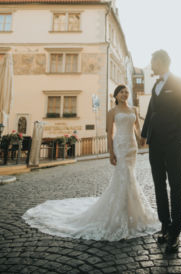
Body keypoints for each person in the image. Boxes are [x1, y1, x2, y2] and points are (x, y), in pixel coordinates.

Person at [22, 85, 160, 241]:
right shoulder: (112, 112)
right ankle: (121, 213)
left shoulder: (134, 110)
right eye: (121, 92)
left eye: (126, 92)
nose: (125, 94)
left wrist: (141, 138)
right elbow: (110, 133)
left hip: (131, 146)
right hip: (120, 145)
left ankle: (132, 211)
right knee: (124, 176)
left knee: (131, 176)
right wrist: (111, 152)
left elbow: (137, 127)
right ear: (116, 95)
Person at [140, 50, 181, 253]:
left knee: (175, 185)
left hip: (172, 141)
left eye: (153, 63)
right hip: (155, 143)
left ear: (161, 62)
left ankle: (175, 232)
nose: (151, 67)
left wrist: (180, 137)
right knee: (159, 184)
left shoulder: (179, 82)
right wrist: (144, 135)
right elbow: (151, 111)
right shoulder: (156, 85)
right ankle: (165, 225)